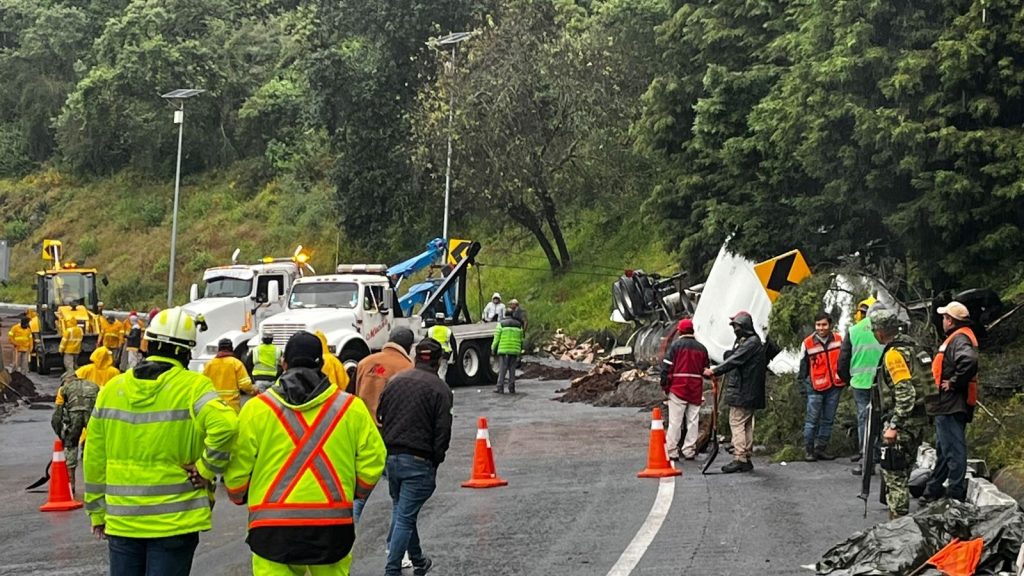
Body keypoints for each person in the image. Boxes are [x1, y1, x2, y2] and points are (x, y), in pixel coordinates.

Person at [83, 307, 238, 575]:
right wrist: (206, 469)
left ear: (149, 342)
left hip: (123, 521)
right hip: (175, 522)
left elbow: (94, 456)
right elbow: (226, 426)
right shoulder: (193, 387)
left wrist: (97, 511)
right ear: (187, 350)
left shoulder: (112, 390)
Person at [224, 331, 386, 576]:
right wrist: (357, 491)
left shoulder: (256, 409)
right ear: (323, 365)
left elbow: (239, 463)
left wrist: (237, 494)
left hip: (271, 530)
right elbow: (373, 459)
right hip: (332, 528)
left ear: (283, 363)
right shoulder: (350, 408)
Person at [377, 339, 453, 576]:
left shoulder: (394, 382)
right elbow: (443, 431)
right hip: (418, 461)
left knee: (403, 511)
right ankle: (392, 569)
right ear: (439, 360)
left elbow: (381, 417)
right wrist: (436, 458)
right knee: (404, 516)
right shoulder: (440, 389)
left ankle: (418, 559)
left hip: (391, 457)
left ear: (415, 357)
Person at [870, 308, 929, 518]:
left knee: (895, 477)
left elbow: (905, 392)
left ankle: (898, 527)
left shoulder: (894, 355)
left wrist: (894, 425)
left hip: (904, 424)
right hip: (918, 421)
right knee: (903, 472)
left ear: (881, 331)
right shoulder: (911, 347)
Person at [352, 327, 414, 522]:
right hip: (390, 438)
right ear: (409, 346)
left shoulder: (364, 363)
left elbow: (351, 397)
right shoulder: (407, 368)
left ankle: (346, 536)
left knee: (359, 495)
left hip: (361, 436)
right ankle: (395, 546)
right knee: (398, 498)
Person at [921, 301, 979, 504]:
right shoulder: (959, 337)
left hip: (950, 403)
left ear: (950, 320)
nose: (943, 321)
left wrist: (953, 383)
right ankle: (933, 489)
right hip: (948, 404)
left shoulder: (959, 339)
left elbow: (969, 361)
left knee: (953, 450)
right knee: (944, 449)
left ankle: (955, 494)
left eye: (945, 317)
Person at [703, 311, 766, 474]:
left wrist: (715, 370)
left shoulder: (751, 344)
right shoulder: (750, 342)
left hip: (744, 391)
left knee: (737, 423)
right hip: (749, 391)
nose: (734, 330)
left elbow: (735, 359)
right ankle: (746, 456)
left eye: (736, 326)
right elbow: (734, 357)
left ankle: (740, 458)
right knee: (745, 425)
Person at [838, 299, 886, 475]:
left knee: (864, 422)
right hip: (884, 384)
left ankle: (866, 462)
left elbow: (843, 359)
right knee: (884, 420)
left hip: (860, 383)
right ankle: (882, 458)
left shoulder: (854, 330)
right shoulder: (889, 329)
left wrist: (846, 379)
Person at [660, 318, 709, 461]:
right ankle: (689, 450)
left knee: (675, 421)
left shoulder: (676, 346)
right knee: (693, 421)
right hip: (695, 389)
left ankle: (672, 451)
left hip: (677, 388)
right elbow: (705, 369)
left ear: (680, 331)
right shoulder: (702, 348)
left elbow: (666, 368)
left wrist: (665, 386)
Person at [799, 312, 844, 462]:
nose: (821, 328)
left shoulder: (839, 339)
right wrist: (803, 386)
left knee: (828, 420)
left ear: (830, 325)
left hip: (834, 386)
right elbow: (803, 367)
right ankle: (809, 450)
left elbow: (844, 359)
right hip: (815, 387)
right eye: (818, 325)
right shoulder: (807, 343)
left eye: (824, 325)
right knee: (812, 420)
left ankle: (821, 449)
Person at [51, 372, 99, 495]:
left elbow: (57, 416)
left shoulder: (63, 389)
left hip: (74, 417)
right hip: (93, 417)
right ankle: (98, 484)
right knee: (97, 448)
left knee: (71, 446)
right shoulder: (94, 386)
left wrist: (62, 435)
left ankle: (71, 485)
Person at [203, 338, 255, 412]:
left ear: (219, 349)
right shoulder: (236, 363)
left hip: (213, 405)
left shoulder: (209, 364)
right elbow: (245, 385)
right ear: (231, 349)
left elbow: (203, 385)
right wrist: (253, 390)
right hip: (231, 406)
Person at [492, 315, 524, 394]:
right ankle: (512, 387)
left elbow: (497, 338)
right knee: (512, 369)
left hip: (504, 350)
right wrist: (520, 349)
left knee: (503, 369)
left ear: (505, 315)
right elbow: (521, 339)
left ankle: (500, 387)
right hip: (514, 350)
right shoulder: (519, 325)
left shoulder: (501, 324)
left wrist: (493, 348)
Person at [428, 313, 454, 383]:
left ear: (436, 320)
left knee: (432, 371)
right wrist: (455, 357)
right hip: (444, 354)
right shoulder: (448, 330)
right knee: (442, 372)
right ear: (444, 320)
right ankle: (441, 387)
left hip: (433, 354)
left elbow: (425, 342)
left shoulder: (431, 330)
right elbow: (453, 344)